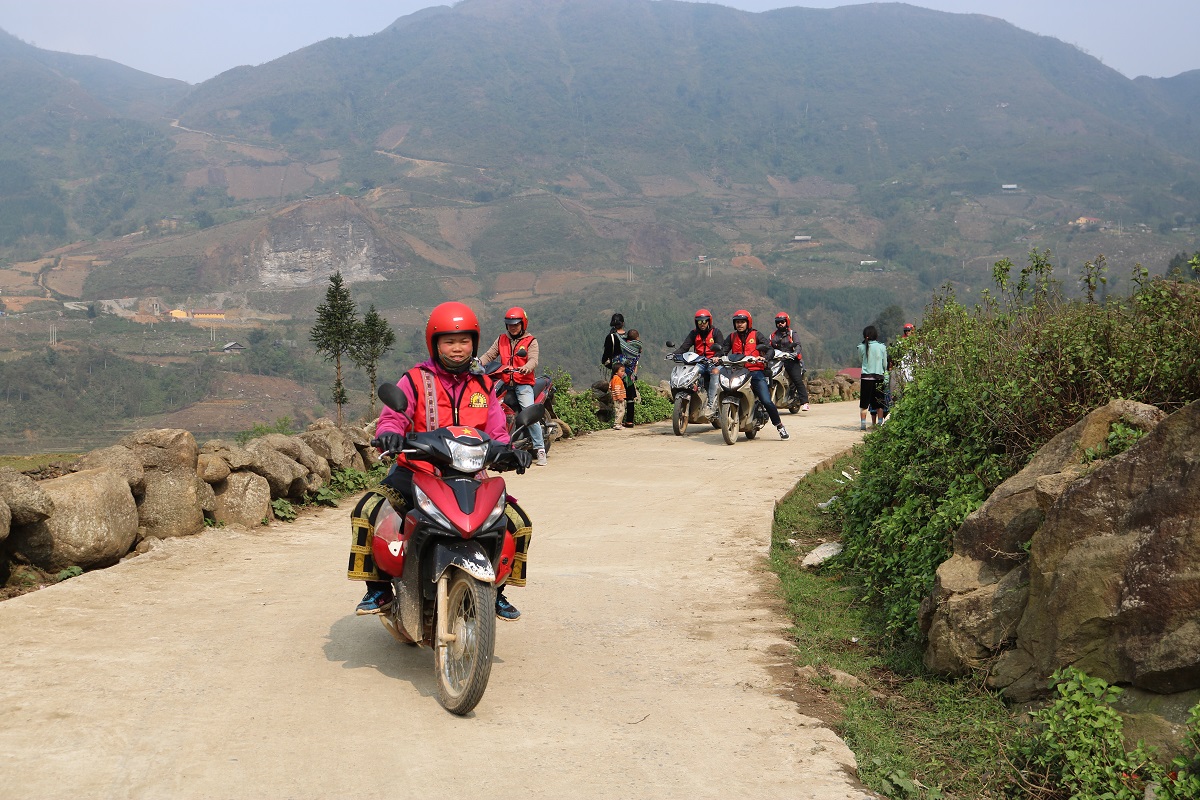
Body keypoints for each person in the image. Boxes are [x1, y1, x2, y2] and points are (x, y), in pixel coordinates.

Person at [351, 301, 532, 620]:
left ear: (474, 342)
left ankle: (496, 592)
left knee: (517, 523)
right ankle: (378, 588)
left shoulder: (483, 385)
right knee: (367, 511)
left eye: (464, 341)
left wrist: (509, 450)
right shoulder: (416, 379)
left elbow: (496, 428)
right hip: (416, 472)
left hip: (470, 476)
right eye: (449, 341)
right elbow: (394, 415)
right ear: (434, 343)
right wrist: (391, 434)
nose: (457, 348)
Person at [480, 306, 547, 467]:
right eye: (510, 324)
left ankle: (540, 449)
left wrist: (527, 367)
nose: (513, 327)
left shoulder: (531, 341)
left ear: (523, 323)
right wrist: (477, 363)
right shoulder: (501, 339)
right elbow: (490, 355)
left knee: (528, 414)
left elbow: (533, 359)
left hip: (523, 383)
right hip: (504, 381)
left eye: (516, 324)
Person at [719, 310, 789, 440]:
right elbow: (724, 350)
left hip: (755, 371)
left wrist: (765, 358)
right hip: (737, 371)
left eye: (742, 322)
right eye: (737, 322)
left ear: (748, 323)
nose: (740, 325)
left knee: (766, 400)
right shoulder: (731, 337)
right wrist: (717, 357)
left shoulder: (756, 335)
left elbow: (769, 349)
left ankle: (779, 426)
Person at [672, 309, 724, 416]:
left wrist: (717, 357)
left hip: (713, 363)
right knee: (689, 373)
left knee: (714, 372)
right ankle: (691, 398)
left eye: (704, 321)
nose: (702, 324)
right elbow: (684, 347)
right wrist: (674, 354)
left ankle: (710, 405)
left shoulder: (716, 332)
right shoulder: (694, 333)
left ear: (709, 321)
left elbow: (721, 349)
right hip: (699, 362)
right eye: (699, 322)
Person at [768, 312, 810, 412]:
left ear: (787, 322)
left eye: (782, 322)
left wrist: (795, 353)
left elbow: (798, 345)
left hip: (791, 360)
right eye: (778, 322)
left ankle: (805, 402)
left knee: (797, 380)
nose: (780, 324)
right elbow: (768, 346)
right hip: (777, 360)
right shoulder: (772, 335)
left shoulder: (792, 334)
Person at [601, 312, 636, 428]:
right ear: (623, 323)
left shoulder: (610, 337)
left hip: (617, 371)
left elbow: (605, 357)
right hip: (630, 370)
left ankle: (617, 422)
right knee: (630, 396)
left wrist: (612, 367)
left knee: (618, 396)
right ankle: (630, 421)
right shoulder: (630, 337)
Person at [857, 325, 888, 431]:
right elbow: (885, 363)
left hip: (866, 378)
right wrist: (885, 371)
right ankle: (879, 423)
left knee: (864, 403)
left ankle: (863, 424)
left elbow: (861, 360)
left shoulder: (861, 347)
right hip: (879, 377)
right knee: (879, 402)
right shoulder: (882, 347)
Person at [609, 363, 628, 429]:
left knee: (618, 410)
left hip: (615, 398)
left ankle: (618, 423)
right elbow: (617, 388)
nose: (623, 373)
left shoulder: (613, 378)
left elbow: (610, 387)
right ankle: (617, 424)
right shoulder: (617, 379)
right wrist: (619, 397)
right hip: (619, 399)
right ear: (616, 372)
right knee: (621, 411)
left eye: (624, 371)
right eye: (622, 371)